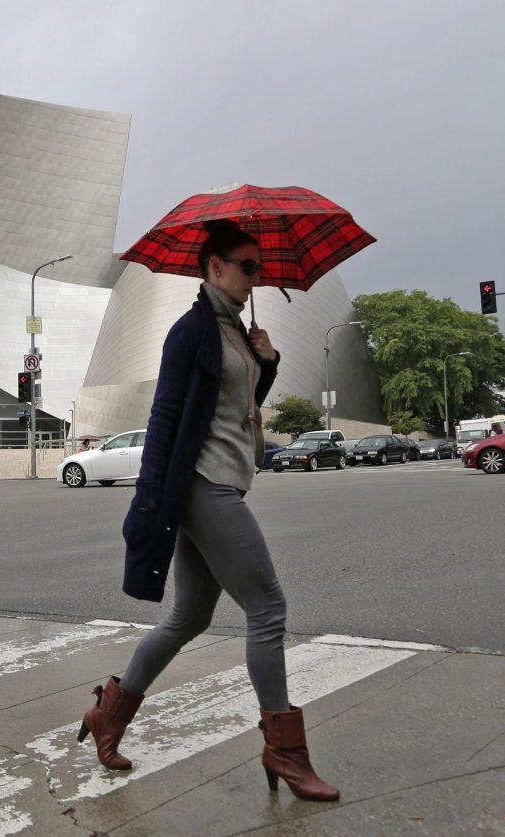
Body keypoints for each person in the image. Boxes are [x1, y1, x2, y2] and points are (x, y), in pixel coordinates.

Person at [78, 220, 340, 802]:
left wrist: (266, 364)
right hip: (201, 485)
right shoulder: (191, 331)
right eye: (248, 266)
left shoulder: (236, 333)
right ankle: (285, 750)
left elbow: (236, 410)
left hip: (224, 481)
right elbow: (168, 419)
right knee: (268, 606)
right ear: (214, 266)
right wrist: (150, 503)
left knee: (189, 617)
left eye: (259, 268)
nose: (256, 276)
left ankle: (109, 713)